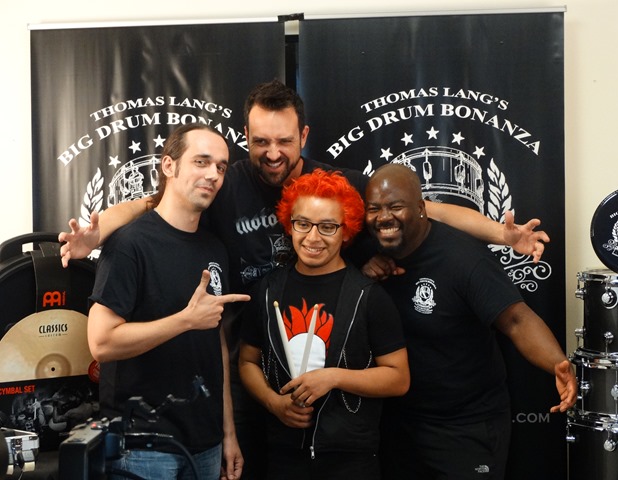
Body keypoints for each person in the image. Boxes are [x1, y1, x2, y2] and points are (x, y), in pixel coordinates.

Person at [59, 80, 550, 479]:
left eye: (285, 141)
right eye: (260, 142)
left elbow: (427, 208)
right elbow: (151, 203)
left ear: (304, 136)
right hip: (238, 379)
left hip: (336, 410)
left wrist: (502, 235)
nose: (273, 153)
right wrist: (96, 233)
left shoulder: (332, 185)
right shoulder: (224, 184)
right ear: (246, 137)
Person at [363, 163, 578, 480]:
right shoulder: (368, 251)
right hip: (398, 427)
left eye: (396, 207)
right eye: (374, 209)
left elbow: (516, 320)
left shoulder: (464, 258)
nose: (384, 217)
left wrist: (557, 362)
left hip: (466, 428)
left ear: (422, 208)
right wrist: (363, 272)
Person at [86, 123, 249, 480]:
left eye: (221, 167)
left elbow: (217, 343)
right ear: (169, 165)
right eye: (201, 162)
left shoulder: (214, 248)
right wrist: (185, 320)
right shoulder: (129, 244)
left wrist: (228, 433)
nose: (213, 174)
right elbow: (101, 343)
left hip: (206, 446)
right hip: (142, 448)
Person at [238, 169, 409, 480]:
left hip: (350, 460)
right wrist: (273, 402)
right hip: (282, 457)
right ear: (289, 225)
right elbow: (247, 361)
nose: (313, 237)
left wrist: (333, 377)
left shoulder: (369, 297)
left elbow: (399, 378)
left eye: (327, 227)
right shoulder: (266, 291)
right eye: (303, 224)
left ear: (346, 231)